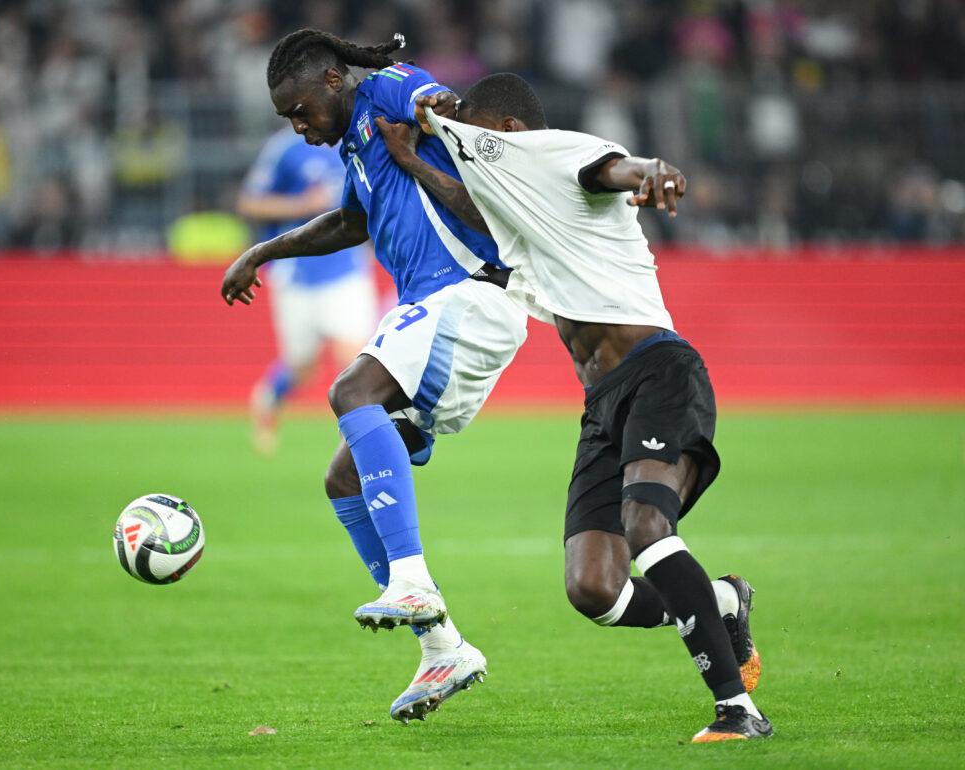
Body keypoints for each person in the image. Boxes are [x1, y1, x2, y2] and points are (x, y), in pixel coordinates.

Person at [372, 72, 771, 742]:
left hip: (660, 375)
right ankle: (725, 598)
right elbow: (476, 208)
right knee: (595, 589)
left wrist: (653, 172)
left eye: (473, 129)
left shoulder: (554, 152)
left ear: (506, 134)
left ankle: (738, 710)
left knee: (647, 526)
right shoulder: (522, 213)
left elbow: (609, 167)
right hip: (603, 403)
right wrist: (410, 162)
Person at [220, 31, 529, 723]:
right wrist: (264, 251)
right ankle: (442, 646)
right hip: (437, 307)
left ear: (334, 79)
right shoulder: (358, 147)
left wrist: (439, 111)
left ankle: (412, 582)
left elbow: (446, 104)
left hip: (473, 293)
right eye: (287, 121)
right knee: (343, 477)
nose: (299, 128)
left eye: (301, 110)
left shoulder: (388, 89)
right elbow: (351, 222)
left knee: (348, 391)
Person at [237, 127, 378, 453]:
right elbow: (250, 202)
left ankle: (356, 443)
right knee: (303, 367)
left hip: (347, 270)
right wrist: (303, 203)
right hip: (296, 272)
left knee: (355, 360)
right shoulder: (284, 148)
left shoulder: (359, 141)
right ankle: (269, 399)